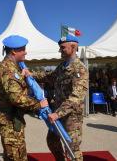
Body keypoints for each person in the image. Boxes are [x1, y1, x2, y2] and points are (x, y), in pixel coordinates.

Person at [25, 30, 88, 161]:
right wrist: (32, 75)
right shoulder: (62, 66)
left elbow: (76, 97)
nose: (60, 50)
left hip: (71, 117)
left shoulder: (79, 69)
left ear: (74, 47)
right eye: (60, 48)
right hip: (58, 113)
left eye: (63, 47)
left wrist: (57, 114)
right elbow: (49, 77)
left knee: (72, 148)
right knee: (52, 141)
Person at [0, 35, 48, 161]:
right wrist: (39, 104)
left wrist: (23, 77)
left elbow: (12, 89)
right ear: (14, 51)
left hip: (12, 119)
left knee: (12, 155)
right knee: (17, 157)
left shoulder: (12, 67)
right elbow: (16, 98)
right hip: (10, 121)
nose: (25, 52)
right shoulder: (8, 70)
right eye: (23, 49)